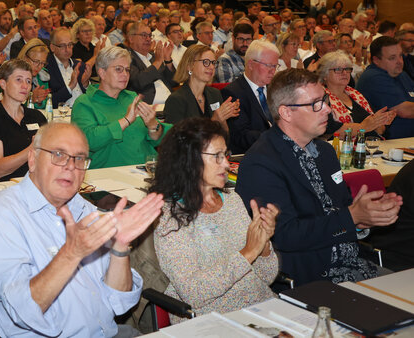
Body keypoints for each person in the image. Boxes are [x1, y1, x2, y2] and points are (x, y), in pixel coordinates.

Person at [0, 122, 164, 337]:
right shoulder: (0, 214)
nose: (71, 166)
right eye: (58, 154)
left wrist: (120, 248)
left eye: (79, 158)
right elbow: (21, 311)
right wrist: (71, 254)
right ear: (33, 160)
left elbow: (119, 303)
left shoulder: (87, 211)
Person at [237, 68, 403, 286]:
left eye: (325, 100)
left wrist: (364, 219)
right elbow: (284, 235)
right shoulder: (261, 163)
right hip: (309, 279)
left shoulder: (324, 152)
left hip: (354, 264)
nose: (327, 110)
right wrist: (352, 217)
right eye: (316, 103)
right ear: (286, 112)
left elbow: (340, 211)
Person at [152, 118, 278, 320]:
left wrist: (263, 246)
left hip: (260, 307)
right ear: (189, 160)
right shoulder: (170, 217)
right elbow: (194, 293)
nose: (227, 164)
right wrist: (248, 252)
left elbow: (267, 276)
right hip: (211, 319)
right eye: (217, 157)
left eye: (225, 155)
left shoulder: (232, 200)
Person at [72, 46, 169, 168]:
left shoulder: (132, 97)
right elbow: (87, 142)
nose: (125, 74)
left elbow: (158, 138)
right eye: (118, 69)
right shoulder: (85, 103)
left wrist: (153, 125)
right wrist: (125, 121)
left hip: (147, 169)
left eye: (127, 70)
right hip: (110, 175)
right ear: (102, 72)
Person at [0, 59, 47, 181]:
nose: (25, 86)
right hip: (3, 189)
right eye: (19, 80)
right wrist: (31, 149)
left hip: (36, 184)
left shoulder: (37, 116)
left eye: (28, 81)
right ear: (3, 84)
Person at [318, 51, 395, 138]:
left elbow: (378, 130)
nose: (344, 73)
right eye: (338, 69)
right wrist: (363, 127)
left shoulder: (356, 95)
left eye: (347, 69)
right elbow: (329, 132)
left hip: (369, 147)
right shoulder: (320, 98)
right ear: (324, 74)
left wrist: (380, 122)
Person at [164, 45, 239, 129]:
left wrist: (224, 118)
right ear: (190, 66)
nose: (211, 67)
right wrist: (215, 120)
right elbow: (176, 139)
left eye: (213, 63)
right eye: (206, 62)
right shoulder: (176, 100)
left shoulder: (215, 94)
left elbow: (225, 136)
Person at [357, 36, 414, 138]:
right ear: (376, 60)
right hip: (387, 144)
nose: (399, 61)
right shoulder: (373, 77)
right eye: (392, 58)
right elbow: (404, 111)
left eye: (400, 56)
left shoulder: (401, 74)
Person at [125, 21, 176, 104]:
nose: (148, 39)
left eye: (149, 35)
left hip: (170, 101)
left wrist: (167, 59)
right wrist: (158, 62)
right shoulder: (126, 58)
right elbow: (138, 82)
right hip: (150, 105)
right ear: (131, 38)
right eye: (144, 35)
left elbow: (173, 82)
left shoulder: (153, 57)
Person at [46, 27, 92, 107]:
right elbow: (48, 101)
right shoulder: (47, 68)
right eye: (62, 46)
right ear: (52, 47)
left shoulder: (80, 65)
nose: (67, 49)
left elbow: (91, 96)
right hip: (61, 115)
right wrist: (70, 86)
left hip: (84, 110)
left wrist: (86, 84)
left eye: (70, 45)